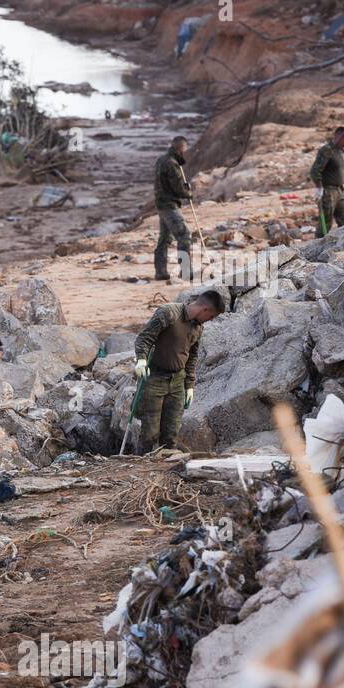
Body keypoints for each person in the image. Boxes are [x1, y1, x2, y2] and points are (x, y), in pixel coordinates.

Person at [132, 291, 225, 452]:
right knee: (150, 433)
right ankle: (142, 464)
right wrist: (141, 359)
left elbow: (192, 357)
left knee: (171, 434)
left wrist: (189, 386)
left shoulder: (198, 328)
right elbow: (144, 338)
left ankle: (166, 470)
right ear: (205, 309)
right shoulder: (168, 313)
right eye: (211, 316)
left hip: (177, 382)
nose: (210, 320)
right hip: (154, 378)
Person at [154, 136, 194, 282]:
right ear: (180, 148)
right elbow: (178, 188)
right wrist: (188, 193)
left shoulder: (161, 160)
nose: (186, 152)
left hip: (161, 204)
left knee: (164, 238)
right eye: (185, 149)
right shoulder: (172, 164)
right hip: (169, 206)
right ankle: (185, 272)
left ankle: (160, 272)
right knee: (184, 236)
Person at [310, 126, 344, 234]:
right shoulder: (327, 150)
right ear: (337, 136)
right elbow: (315, 171)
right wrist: (319, 188)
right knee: (326, 222)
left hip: (338, 191)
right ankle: (319, 246)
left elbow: (336, 172)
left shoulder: (338, 151)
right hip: (328, 192)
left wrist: (342, 189)